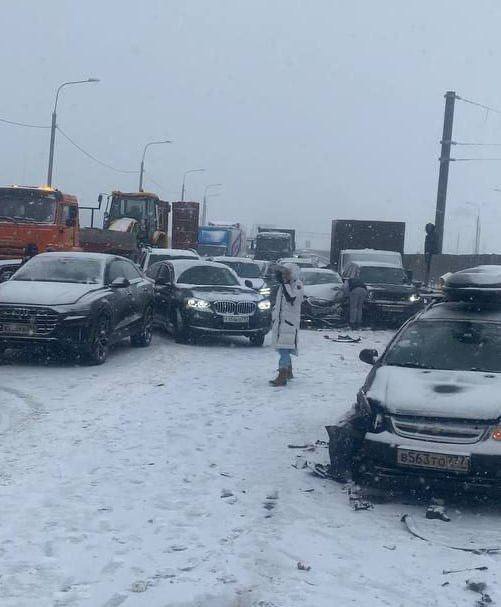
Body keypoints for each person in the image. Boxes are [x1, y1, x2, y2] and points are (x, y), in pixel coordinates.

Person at [269, 263, 303, 387]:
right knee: (282, 348)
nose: (284, 276)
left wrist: (286, 283)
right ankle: (288, 371)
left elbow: (291, 298)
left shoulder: (297, 285)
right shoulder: (284, 286)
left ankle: (282, 375)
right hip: (281, 323)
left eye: (286, 273)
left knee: (284, 349)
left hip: (289, 323)